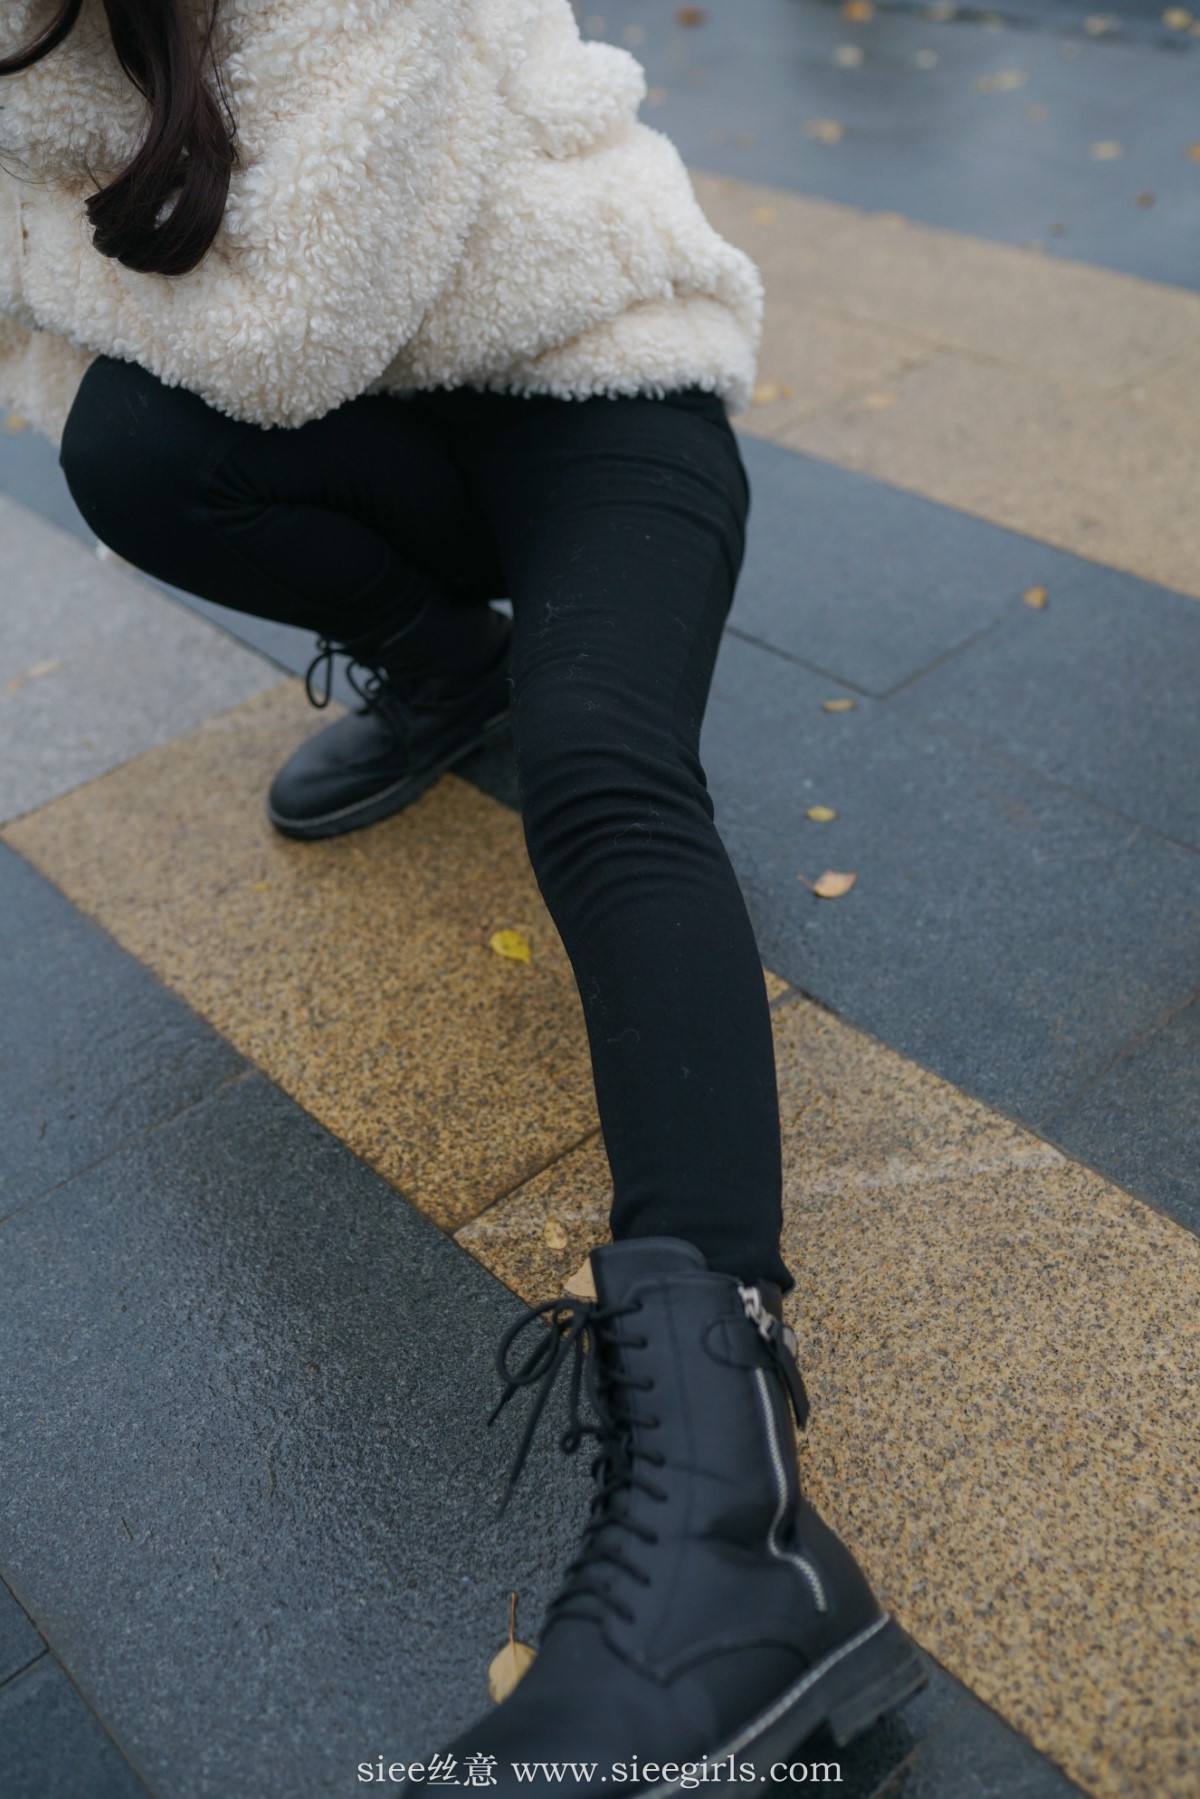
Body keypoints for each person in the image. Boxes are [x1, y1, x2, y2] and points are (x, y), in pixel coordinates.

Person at [0, 0, 925, 1785]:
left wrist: (43, 247)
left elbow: (284, 328)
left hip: (597, 387)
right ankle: (453, 668)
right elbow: (66, 354)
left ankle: (733, 1524)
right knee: (125, 448)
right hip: (395, 439)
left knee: (604, 774)